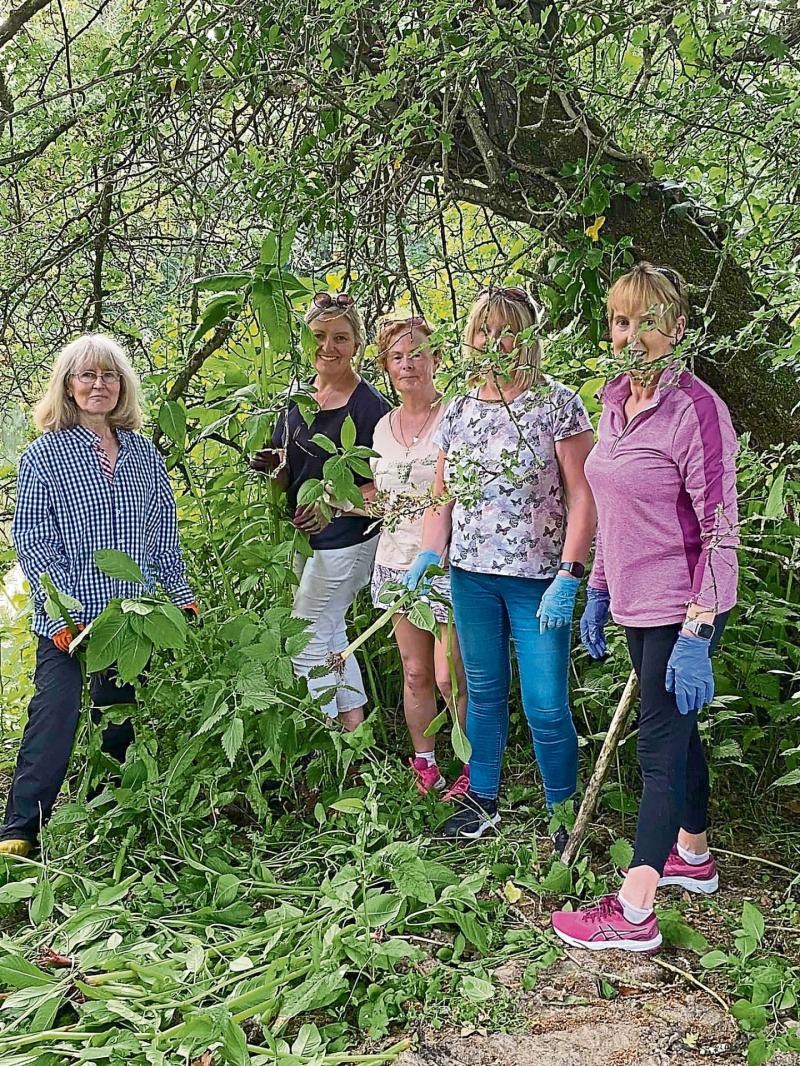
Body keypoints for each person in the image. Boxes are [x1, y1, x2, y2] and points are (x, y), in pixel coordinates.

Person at [551, 262, 739, 953]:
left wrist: (697, 630)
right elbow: (607, 503)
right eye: (621, 322)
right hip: (633, 600)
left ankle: (634, 909)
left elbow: (719, 529)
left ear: (678, 328)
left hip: (683, 606)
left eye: (649, 321)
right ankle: (693, 853)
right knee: (678, 733)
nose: (633, 336)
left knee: (659, 746)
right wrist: (597, 585)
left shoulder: (697, 412)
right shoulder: (612, 400)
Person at [404, 287, 596, 843]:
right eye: (485, 329)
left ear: (529, 338)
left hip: (539, 581)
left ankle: (564, 817)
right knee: (482, 692)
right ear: (470, 338)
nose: (496, 341)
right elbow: (443, 496)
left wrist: (570, 572)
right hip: (471, 578)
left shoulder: (557, 404)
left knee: (544, 702)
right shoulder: (461, 409)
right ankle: (481, 799)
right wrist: (427, 553)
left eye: (508, 330)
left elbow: (583, 495)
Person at [1, 334, 197, 858]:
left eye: (108, 376)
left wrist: (179, 595)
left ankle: (106, 815)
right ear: (68, 386)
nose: (98, 385)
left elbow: (161, 534)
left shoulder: (142, 453)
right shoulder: (45, 455)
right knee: (54, 718)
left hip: (127, 619)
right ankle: (20, 829)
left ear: (122, 386)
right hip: (68, 619)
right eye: (87, 376)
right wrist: (60, 610)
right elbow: (33, 538)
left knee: (117, 718)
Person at [251, 293, 391, 731]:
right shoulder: (298, 398)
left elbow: (388, 488)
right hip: (303, 536)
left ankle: (327, 737)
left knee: (305, 636)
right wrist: (273, 467)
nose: (328, 347)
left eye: (340, 338)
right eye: (318, 337)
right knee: (330, 633)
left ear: (356, 345)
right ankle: (354, 734)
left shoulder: (372, 408)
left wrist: (333, 504)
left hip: (348, 538)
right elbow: (285, 470)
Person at [370, 316, 468, 797]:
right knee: (415, 671)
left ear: (436, 359)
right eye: (396, 357)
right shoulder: (381, 428)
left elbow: (459, 493)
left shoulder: (456, 418)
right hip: (394, 563)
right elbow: (378, 496)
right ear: (386, 368)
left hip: (444, 564)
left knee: (451, 676)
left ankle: (475, 767)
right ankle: (425, 765)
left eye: (416, 353)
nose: (407, 364)